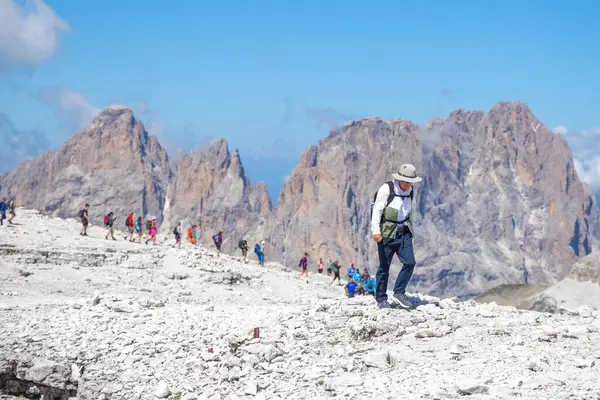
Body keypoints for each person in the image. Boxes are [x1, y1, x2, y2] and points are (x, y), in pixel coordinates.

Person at [371, 163, 422, 309]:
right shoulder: (387, 189)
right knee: (384, 267)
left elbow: (409, 209)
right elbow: (377, 210)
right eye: (406, 181)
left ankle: (399, 292)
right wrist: (376, 232)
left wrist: (411, 228)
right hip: (387, 232)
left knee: (410, 262)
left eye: (410, 182)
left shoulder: (410, 190)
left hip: (404, 231)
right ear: (400, 179)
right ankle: (381, 298)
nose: (408, 185)